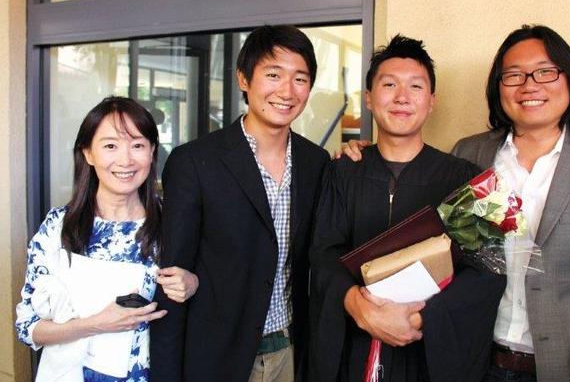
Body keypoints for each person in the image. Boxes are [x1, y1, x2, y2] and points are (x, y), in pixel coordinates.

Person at [308, 35, 506, 382]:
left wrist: (417, 319)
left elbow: (489, 272)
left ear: (432, 101)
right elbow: (324, 254)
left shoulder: (468, 178)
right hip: (355, 352)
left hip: (429, 355)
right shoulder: (341, 171)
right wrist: (357, 305)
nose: (402, 97)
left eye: (416, 86)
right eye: (389, 85)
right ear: (369, 98)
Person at [452, 25, 570, 382]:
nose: (529, 85)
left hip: (564, 369)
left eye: (545, 71)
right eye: (514, 75)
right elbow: (447, 254)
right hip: (473, 361)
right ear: (498, 87)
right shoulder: (469, 153)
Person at [150, 25, 330, 382]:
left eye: (300, 79)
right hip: (217, 358)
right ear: (244, 79)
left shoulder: (316, 162)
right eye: (273, 75)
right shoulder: (194, 162)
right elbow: (173, 280)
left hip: (290, 352)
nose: (287, 91)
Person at [15, 96, 198, 381]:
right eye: (110, 146)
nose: (125, 160)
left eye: (137, 145)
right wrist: (95, 324)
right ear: (88, 153)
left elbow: (212, 306)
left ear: (152, 151)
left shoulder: (175, 222)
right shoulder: (59, 226)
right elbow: (28, 327)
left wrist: (194, 282)